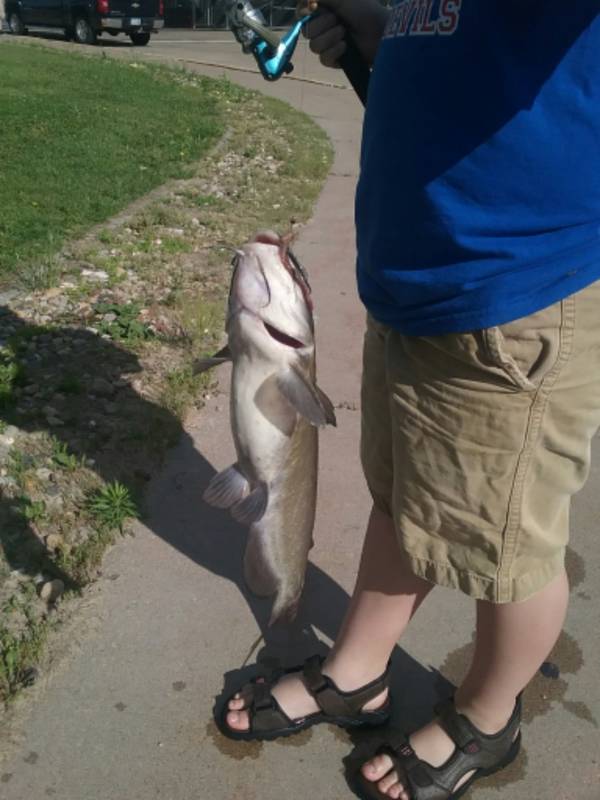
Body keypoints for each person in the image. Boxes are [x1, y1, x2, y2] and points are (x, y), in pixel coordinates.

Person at [219, 2, 600, 799]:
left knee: (511, 549)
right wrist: (378, 38)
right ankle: (357, 673)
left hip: (512, 289)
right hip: (415, 284)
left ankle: (489, 718)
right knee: (401, 500)